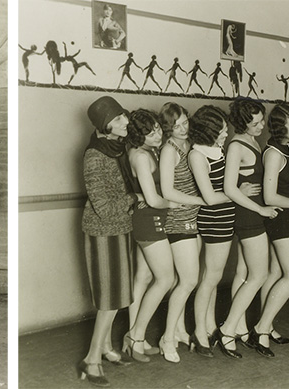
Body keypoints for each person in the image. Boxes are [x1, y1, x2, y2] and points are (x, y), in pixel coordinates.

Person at [77, 96, 138, 386]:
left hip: (120, 228)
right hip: (102, 231)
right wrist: (135, 198)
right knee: (109, 299)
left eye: (124, 115)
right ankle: (91, 360)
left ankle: (106, 347)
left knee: (117, 295)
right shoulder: (94, 155)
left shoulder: (117, 149)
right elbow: (102, 205)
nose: (126, 120)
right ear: (105, 125)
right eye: (119, 119)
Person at [222, 98, 281, 358]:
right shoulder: (236, 146)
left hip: (253, 212)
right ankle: (227, 329)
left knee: (244, 273)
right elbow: (229, 188)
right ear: (241, 123)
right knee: (259, 275)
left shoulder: (252, 141)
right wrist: (260, 210)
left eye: (261, 121)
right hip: (248, 215)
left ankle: (241, 330)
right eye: (254, 123)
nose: (260, 126)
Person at [252, 103, 289, 357]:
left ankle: (267, 324)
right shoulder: (274, 153)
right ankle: (261, 328)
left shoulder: (288, 148)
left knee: (275, 273)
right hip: (280, 217)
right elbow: (270, 195)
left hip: (287, 215)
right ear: (280, 127)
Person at [188, 105, 236, 358]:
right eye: (221, 130)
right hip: (213, 218)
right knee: (210, 278)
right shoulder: (197, 156)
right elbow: (208, 197)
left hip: (226, 216)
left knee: (212, 277)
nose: (226, 134)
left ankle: (209, 325)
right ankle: (198, 332)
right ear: (208, 131)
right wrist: (238, 193)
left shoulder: (217, 150)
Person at [124, 109, 173, 363]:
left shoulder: (149, 151)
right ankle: (136, 336)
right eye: (150, 131)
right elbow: (153, 198)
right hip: (148, 221)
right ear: (137, 135)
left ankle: (134, 338)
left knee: (143, 276)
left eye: (158, 128)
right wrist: (174, 204)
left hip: (151, 217)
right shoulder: (141, 156)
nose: (158, 134)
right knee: (166, 278)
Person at [158, 102, 205, 362]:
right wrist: (202, 200)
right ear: (168, 128)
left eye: (185, 122)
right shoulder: (169, 151)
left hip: (192, 218)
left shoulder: (189, 145)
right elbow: (167, 192)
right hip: (177, 220)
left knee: (183, 281)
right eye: (176, 126)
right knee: (188, 281)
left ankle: (179, 330)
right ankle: (167, 338)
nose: (183, 128)